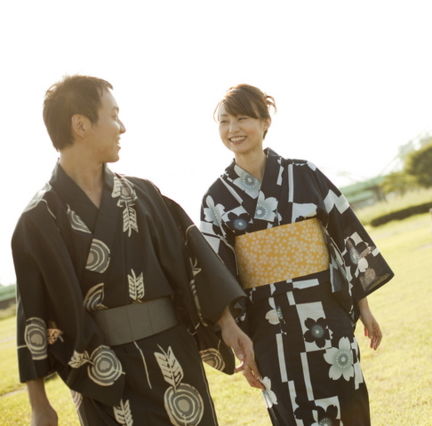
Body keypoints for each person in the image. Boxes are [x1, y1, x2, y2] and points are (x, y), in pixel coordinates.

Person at [12, 75, 261, 425]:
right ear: (81, 125)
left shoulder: (144, 195)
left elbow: (192, 260)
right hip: (103, 379)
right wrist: (39, 405)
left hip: (175, 364)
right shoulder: (39, 220)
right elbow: (33, 314)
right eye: (114, 116)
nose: (122, 127)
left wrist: (228, 323)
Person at [200, 84, 394, 425]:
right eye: (224, 121)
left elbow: (346, 233)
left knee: (347, 403)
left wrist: (364, 307)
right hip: (268, 327)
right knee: (291, 411)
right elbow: (215, 274)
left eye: (242, 118)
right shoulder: (216, 198)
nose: (232, 129)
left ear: (265, 122)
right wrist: (239, 340)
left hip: (325, 313)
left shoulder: (304, 174)